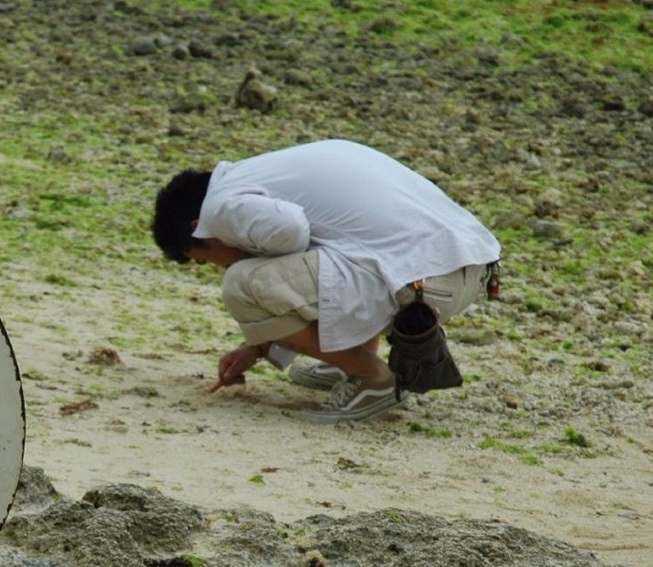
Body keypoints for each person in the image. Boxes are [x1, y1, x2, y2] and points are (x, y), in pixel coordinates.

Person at [151, 139, 501, 423]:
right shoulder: (258, 174)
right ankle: (352, 361)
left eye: (202, 259)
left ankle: (375, 378)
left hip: (421, 282)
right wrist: (259, 345)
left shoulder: (221, 207)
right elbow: (339, 252)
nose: (214, 266)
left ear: (196, 228)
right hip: (464, 265)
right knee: (333, 257)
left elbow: (292, 233)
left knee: (242, 283)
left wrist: (263, 328)